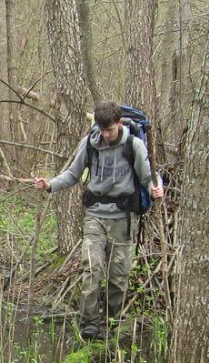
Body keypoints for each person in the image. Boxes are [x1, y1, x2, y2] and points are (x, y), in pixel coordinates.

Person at [34, 101, 165, 340]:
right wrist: (50, 185)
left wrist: (158, 188)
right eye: (101, 130)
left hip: (123, 219)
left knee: (118, 275)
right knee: (92, 269)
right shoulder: (90, 144)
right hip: (95, 216)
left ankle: (113, 322)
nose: (105, 135)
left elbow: (149, 176)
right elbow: (73, 174)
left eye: (109, 130)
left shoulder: (134, 145)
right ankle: (90, 325)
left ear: (119, 124)